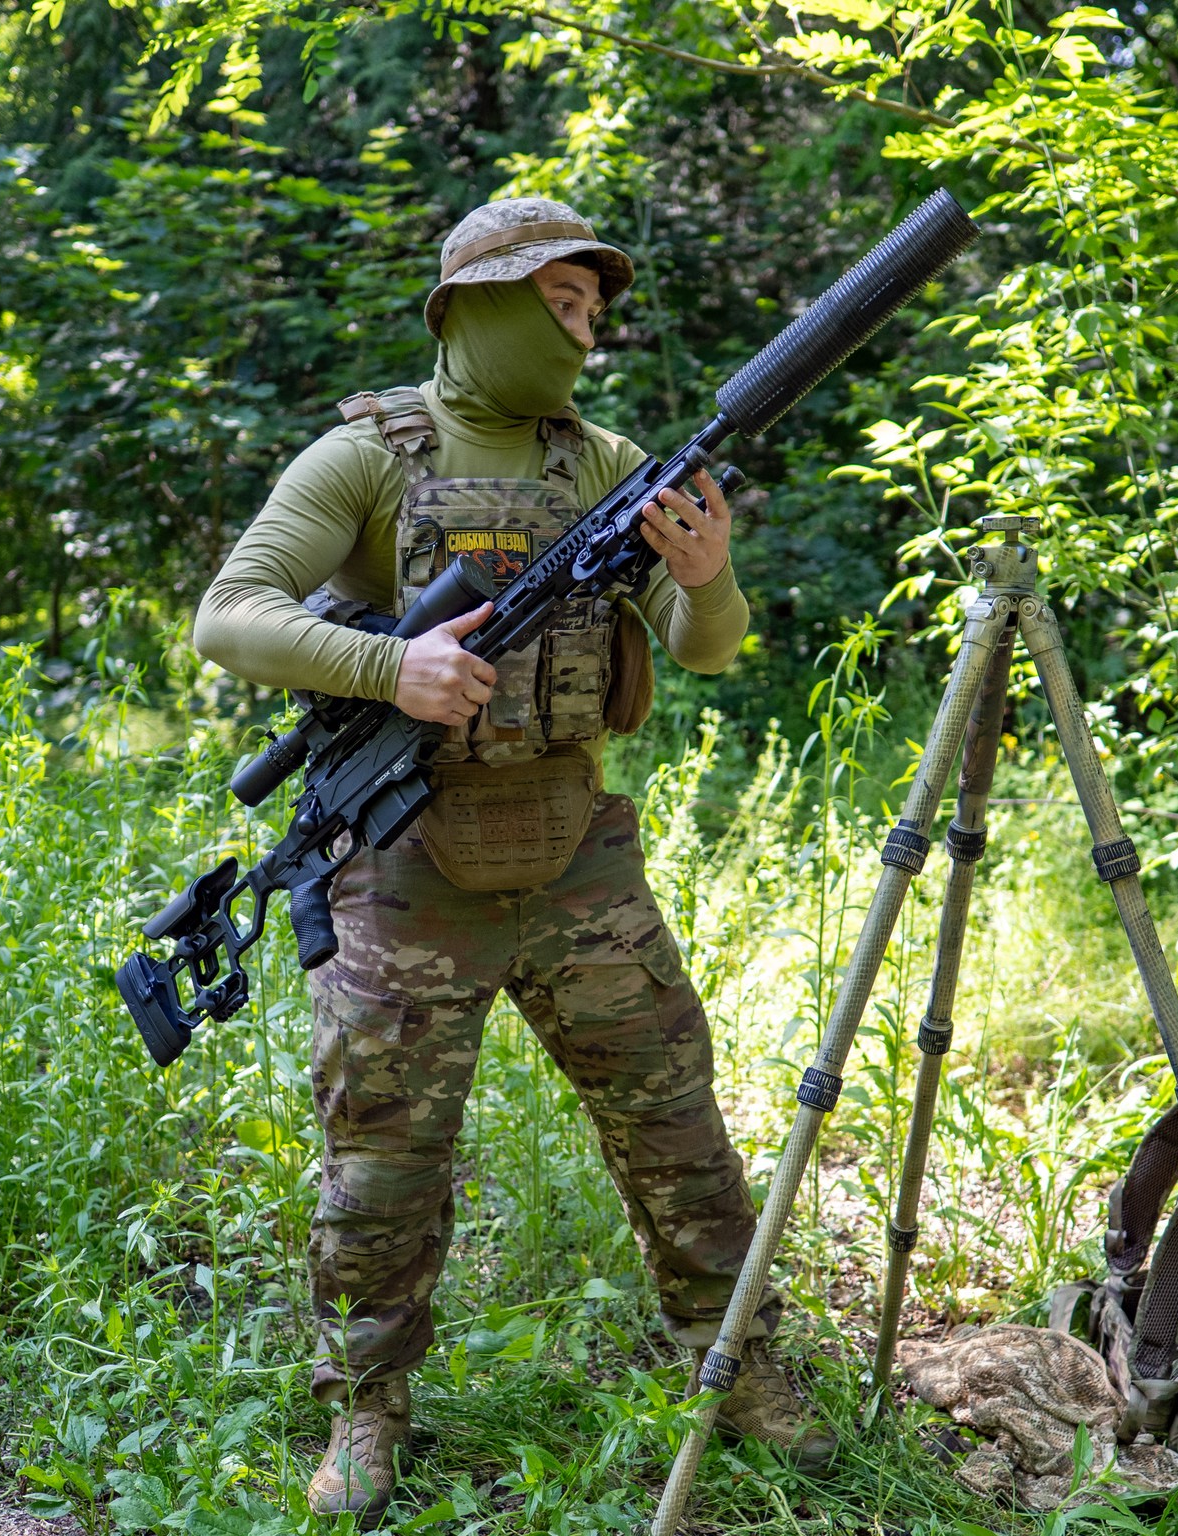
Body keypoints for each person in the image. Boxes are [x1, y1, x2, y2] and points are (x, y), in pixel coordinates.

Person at [193, 197, 837, 1523]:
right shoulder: (368, 459)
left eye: (597, 313)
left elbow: (707, 644)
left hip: (576, 863)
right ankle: (366, 1414)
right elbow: (231, 616)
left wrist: (707, 576)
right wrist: (394, 665)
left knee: (679, 1136)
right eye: (562, 304)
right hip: (405, 865)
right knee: (379, 1168)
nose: (586, 332)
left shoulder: (609, 463)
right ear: (478, 301)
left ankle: (737, 1367)